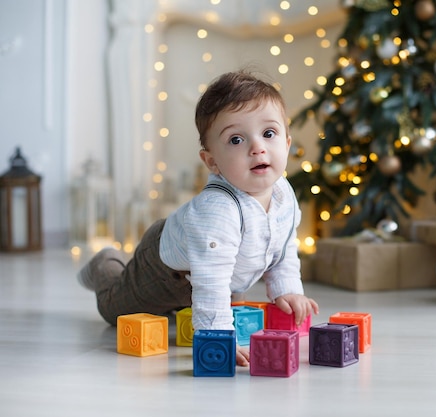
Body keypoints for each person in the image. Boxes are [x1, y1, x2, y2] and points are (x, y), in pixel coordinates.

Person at [78, 70, 319, 366]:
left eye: (269, 134)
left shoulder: (283, 193)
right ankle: (106, 264)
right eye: (236, 140)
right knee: (116, 310)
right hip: (166, 272)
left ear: (286, 143)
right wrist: (218, 339)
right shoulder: (218, 210)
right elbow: (211, 280)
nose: (257, 147)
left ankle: (191, 312)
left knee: (212, 307)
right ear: (212, 161)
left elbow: (283, 245)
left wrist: (288, 289)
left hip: (222, 272)